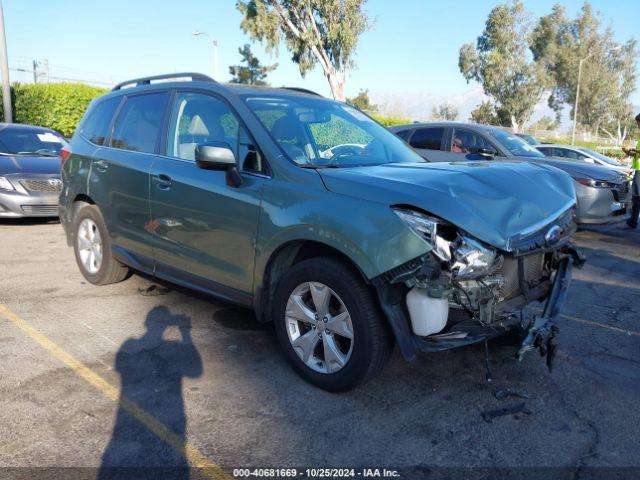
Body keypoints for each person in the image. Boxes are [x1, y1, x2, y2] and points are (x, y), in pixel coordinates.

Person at [622, 113, 640, 229]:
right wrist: (627, 152)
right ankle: (633, 219)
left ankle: (633, 220)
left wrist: (634, 149)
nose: (637, 125)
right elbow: (637, 155)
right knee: (636, 196)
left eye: (638, 122)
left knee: (637, 196)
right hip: (637, 169)